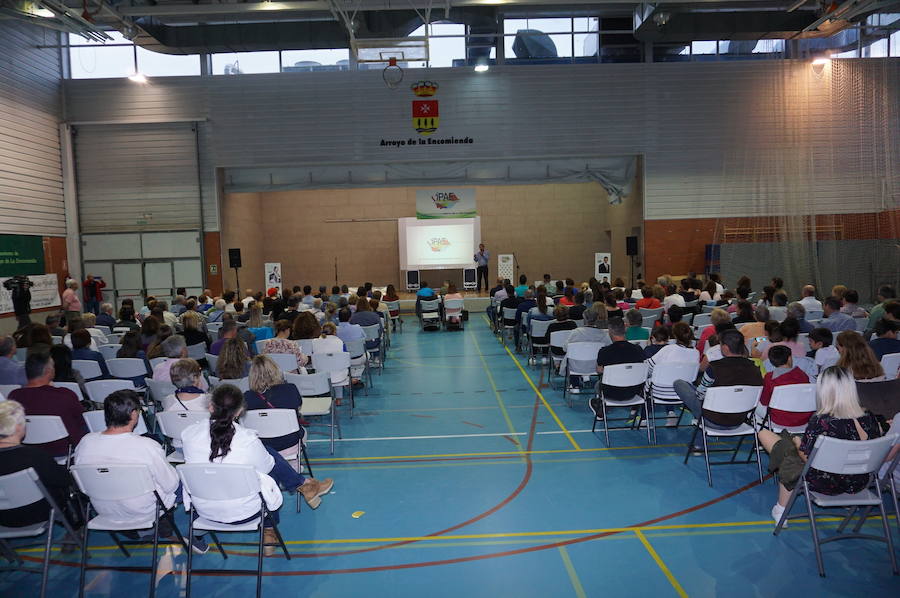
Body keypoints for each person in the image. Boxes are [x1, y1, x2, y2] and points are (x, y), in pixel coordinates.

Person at [180, 385, 333, 555]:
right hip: (247, 511)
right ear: (239, 411)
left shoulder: (188, 434)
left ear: (210, 407)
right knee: (269, 467)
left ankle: (305, 486)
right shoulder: (247, 440)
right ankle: (270, 528)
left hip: (204, 511)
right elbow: (268, 468)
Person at [757, 366, 882, 525]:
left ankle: (781, 509)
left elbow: (807, 458)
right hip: (859, 481)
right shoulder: (869, 417)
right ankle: (781, 509)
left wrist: (797, 442)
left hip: (826, 482)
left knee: (785, 451)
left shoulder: (821, 421)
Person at [72, 389, 195, 546]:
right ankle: (183, 531)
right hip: (145, 510)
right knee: (186, 479)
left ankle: (153, 528)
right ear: (133, 414)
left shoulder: (85, 442)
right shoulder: (146, 445)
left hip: (104, 509)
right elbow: (171, 485)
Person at [674, 329, 762, 442]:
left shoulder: (714, 367)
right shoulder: (755, 369)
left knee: (680, 384)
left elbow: (700, 396)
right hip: (739, 420)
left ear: (725, 348)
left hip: (712, 419)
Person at [0, 400, 76, 530]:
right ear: (18, 427)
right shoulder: (34, 456)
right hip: (39, 512)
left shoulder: (32, 455)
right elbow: (64, 480)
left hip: (4, 517)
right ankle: (76, 527)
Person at [9, 351, 87, 456]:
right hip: (64, 449)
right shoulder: (65, 395)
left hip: (28, 450)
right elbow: (82, 420)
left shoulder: (14, 396)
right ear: (49, 371)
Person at [244, 355, 304, 453]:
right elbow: (298, 405)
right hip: (289, 443)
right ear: (276, 370)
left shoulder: (246, 398)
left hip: (261, 447)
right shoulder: (290, 389)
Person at [590, 317, 646, 414]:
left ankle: (601, 408)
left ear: (610, 332)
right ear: (625, 330)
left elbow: (599, 370)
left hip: (611, 392)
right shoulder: (638, 349)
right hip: (634, 391)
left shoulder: (604, 351)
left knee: (597, 385)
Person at [756, 345, 813, 428]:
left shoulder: (769, 378)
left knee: (755, 400)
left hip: (780, 419)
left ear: (771, 361)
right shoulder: (802, 375)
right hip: (804, 418)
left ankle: (759, 429)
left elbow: (764, 401)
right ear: (789, 358)